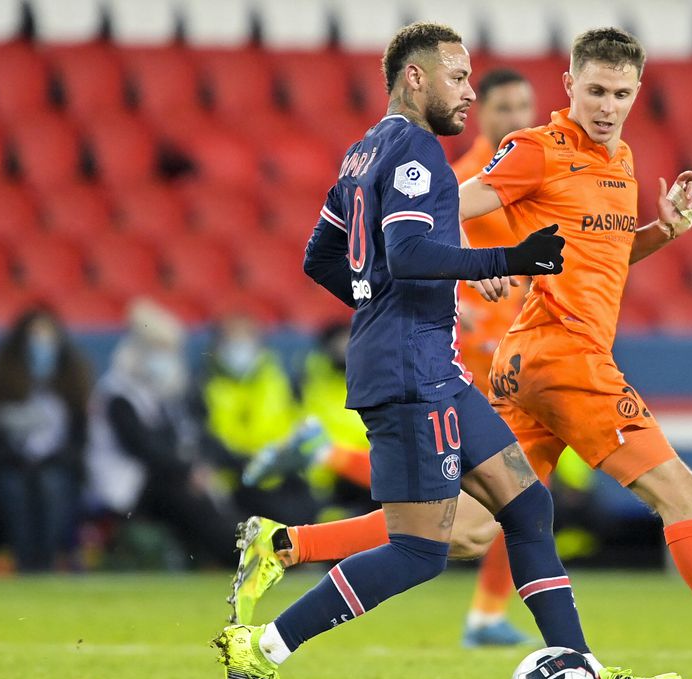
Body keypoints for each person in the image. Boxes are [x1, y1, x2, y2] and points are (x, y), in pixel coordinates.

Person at [232, 27, 692, 679]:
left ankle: (286, 546)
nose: (607, 105)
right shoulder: (537, 149)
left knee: (472, 525)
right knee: (683, 495)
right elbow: (455, 206)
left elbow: (599, 260)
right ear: (569, 86)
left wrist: (663, 232)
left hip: (523, 362)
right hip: (565, 359)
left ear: (637, 94)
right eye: (595, 90)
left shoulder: (621, 163)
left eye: (621, 93)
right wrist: (479, 272)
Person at [212, 22, 679, 679]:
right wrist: (505, 259)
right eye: (459, 77)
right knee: (420, 551)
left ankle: (587, 669)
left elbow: (320, 257)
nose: (471, 91)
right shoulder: (414, 151)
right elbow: (406, 253)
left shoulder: (361, 150)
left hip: (432, 365)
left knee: (525, 507)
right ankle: (266, 647)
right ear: (416, 79)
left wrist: (376, 302)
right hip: (411, 372)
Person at [234, 69, 541, 648]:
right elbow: (412, 247)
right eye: (503, 106)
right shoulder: (455, 171)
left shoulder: (522, 167)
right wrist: (447, 291)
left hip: (493, 356)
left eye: (525, 104)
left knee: (488, 521)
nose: (515, 116)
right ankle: (286, 580)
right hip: (448, 355)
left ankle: (510, 627)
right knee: (442, 532)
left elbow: (344, 252)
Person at [85, 300, 236, 567]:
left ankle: (245, 547)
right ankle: (236, 555)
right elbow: (144, 448)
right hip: (125, 487)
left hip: (157, 478)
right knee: (187, 496)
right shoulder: (118, 394)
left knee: (212, 491)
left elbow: (189, 436)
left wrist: (198, 466)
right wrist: (189, 470)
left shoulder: (162, 393)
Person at [195, 313, 319, 527]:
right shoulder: (204, 387)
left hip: (282, 470)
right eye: (232, 341)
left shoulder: (279, 381)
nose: (239, 348)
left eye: (246, 339)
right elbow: (206, 438)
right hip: (236, 475)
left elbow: (299, 425)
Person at [0, 306, 91, 571]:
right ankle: (24, 562)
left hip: (57, 465)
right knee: (13, 489)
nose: (40, 344)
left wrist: (56, 458)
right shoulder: (4, 382)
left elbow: (79, 439)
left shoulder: (71, 383)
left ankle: (46, 562)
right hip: (13, 465)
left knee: (50, 486)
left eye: (47, 336)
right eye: (34, 336)